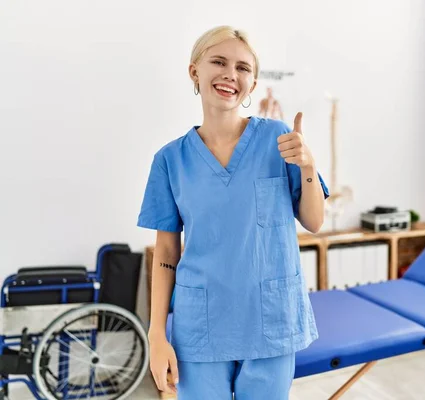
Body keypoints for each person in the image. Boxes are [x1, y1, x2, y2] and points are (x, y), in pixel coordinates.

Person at [137, 25, 330, 399]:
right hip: (200, 327)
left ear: (252, 84)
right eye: (219, 62)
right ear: (195, 71)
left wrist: (308, 166)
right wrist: (156, 333)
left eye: (242, 68)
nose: (230, 75)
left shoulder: (279, 138)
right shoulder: (170, 160)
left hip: (270, 320)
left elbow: (314, 221)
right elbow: (165, 253)